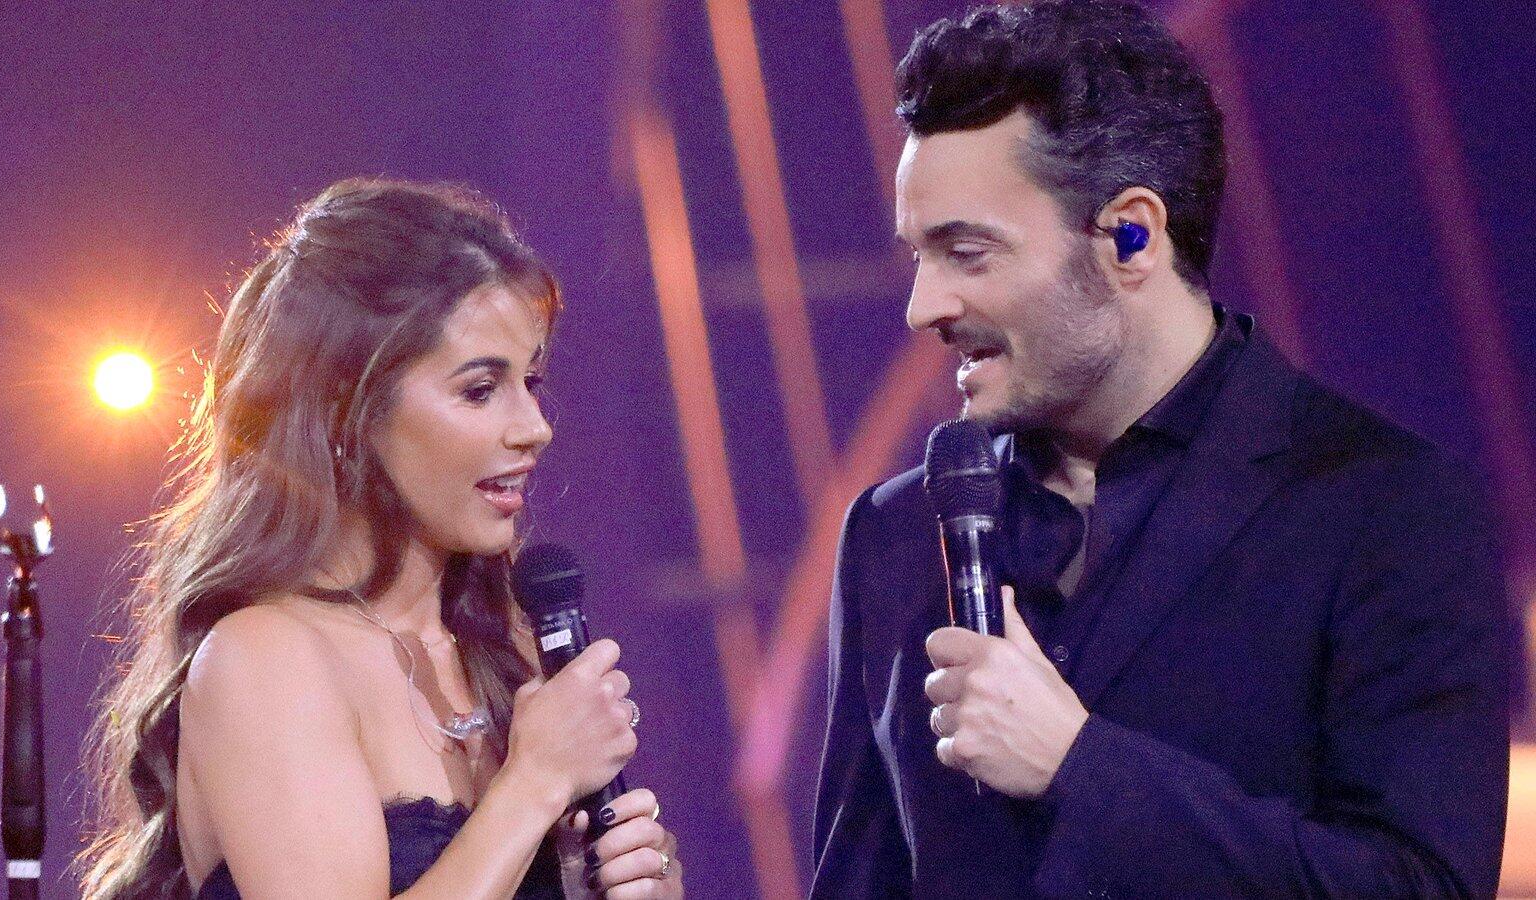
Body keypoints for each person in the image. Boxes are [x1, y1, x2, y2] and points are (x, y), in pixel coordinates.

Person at [811, 2, 1508, 897]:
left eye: (967, 253)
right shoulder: (895, 533)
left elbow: (1420, 887)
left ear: (1131, 235)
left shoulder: (1383, 508)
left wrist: (1081, 768)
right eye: (919, 256)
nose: (923, 308)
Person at [79, 178, 684, 899]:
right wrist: (535, 783)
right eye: (480, 390)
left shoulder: (507, 650)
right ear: (350, 410)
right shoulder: (262, 659)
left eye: (532, 383)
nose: (535, 427)